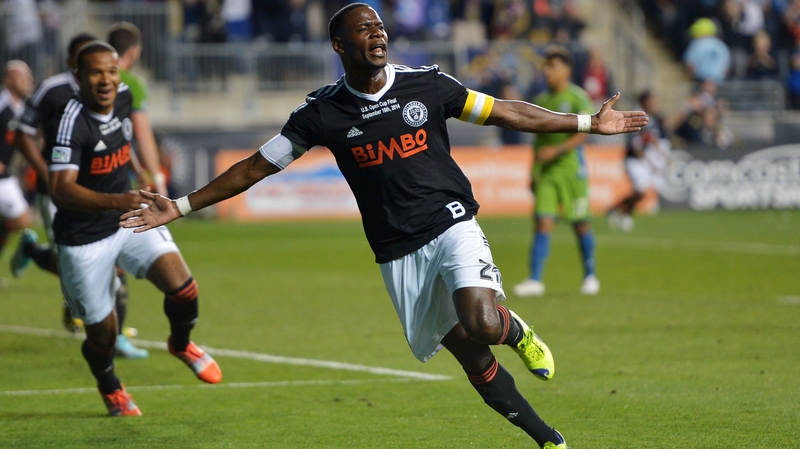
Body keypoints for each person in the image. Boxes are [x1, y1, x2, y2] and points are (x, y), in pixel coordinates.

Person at [120, 4, 646, 445]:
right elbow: (256, 167)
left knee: (484, 323)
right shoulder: (320, 114)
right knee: (468, 350)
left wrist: (586, 123)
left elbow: (507, 112)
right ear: (339, 46)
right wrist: (182, 205)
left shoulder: (427, 85)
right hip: (397, 249)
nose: (378, 34)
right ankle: (549, 439)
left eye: (380, 26)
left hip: (452, 221)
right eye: (364, 29)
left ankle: (517, 329)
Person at [45, 41, 222, 416]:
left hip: (128, 218)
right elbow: (60, 190)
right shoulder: (71, 121)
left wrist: (143, 171)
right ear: (79, 77)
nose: (107, 80)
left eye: (112, 71)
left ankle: (181, 343)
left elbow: (128, 137)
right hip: (82, 240)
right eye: (96, 72)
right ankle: (110, 386)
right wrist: (115, 200)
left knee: (185, 289)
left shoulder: (124, 96)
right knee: (103, 334)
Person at [11, 32, 150, 359]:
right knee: (69, 261)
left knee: (112, 259)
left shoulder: (113, 91)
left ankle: (114, 332)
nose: (101, 74)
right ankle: (36, 254)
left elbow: (116, 131)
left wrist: (136, 167)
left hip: (105, 192)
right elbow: (22, 133)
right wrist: (48, 172)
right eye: (86, 63)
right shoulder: (52, 90)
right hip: (60, 192)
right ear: (74, 65)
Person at [513, 46, 599, 298]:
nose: (548, 71)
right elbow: (538, 144)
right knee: (542, 222)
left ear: (567, 70)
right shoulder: (541, 102)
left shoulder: (577, 97)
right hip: (548, 173)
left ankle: (590, 275)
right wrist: (533, 171)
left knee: (580, 224)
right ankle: (535, 280)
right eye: (546, 66)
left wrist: (558, 150)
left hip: (572, 170)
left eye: (553, 66)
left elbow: (585, 133)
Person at [106, 22, 168, 197]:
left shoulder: (92, 78)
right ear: (133, 51)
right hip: (119, 169)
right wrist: (157, 177)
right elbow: (142, 134)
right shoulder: (133, 84)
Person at [607, 91, 671, 232]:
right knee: (641, 191)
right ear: (643, 102)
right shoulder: (636, 117)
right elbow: (635, 144)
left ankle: (617, 209)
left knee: (640, 192)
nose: (654, 104)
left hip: (642, 160)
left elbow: (652, 139)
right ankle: (623, 213)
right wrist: (650, 162)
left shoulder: (651, 119)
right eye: (651, 101)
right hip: (633, 159)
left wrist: (663, 157)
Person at [0, 61, 35, 259]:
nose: (28, 81)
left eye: (29, 77)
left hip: (6, 174)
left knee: (22, 220)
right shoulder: (2, 106)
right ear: (8, 81)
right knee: (23, 219)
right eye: (23, 78)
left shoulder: (21, 107)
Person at [683, 18, 731, 83]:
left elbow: (689, 65)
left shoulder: (696, 44)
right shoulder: (722, 46)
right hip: (718, 83)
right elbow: (726, 69)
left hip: (700, 81)